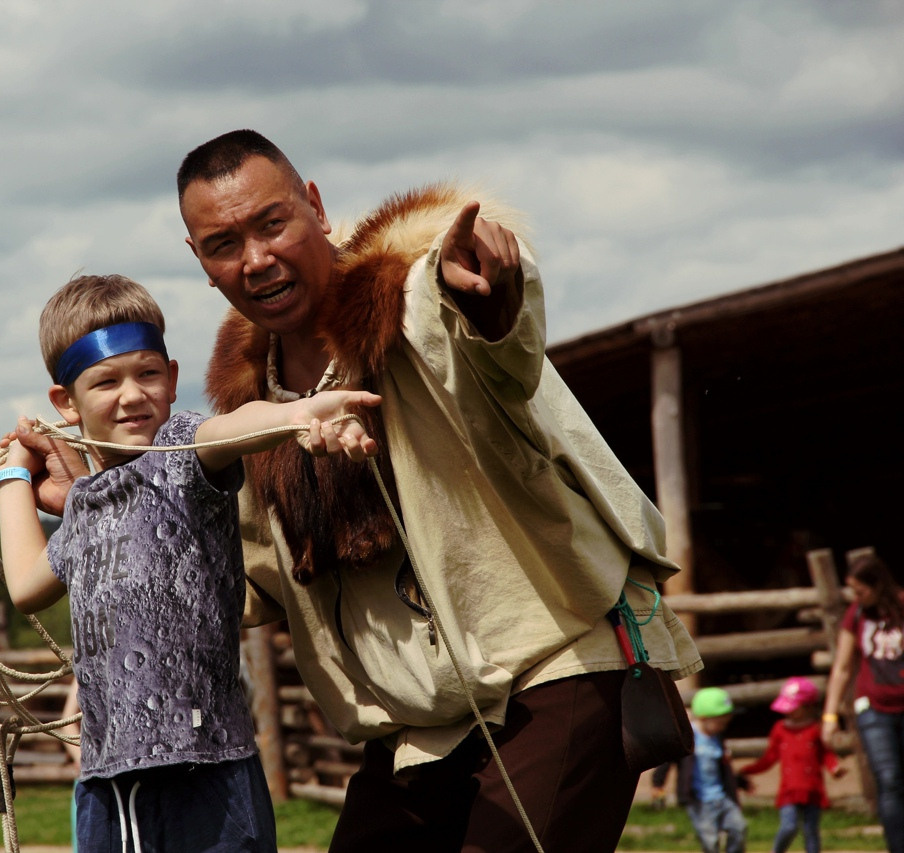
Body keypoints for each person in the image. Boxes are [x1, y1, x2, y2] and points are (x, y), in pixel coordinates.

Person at [168, 128, 702, 852]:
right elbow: (248, 584)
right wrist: (108, 505)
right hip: (421, 727)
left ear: (316, 208)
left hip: (557, 666)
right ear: (202, 263)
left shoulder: (416, 299)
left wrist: (488, 293)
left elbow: (497, 345)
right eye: (223, 243)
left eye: (272, 223)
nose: (256, 259)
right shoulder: (252, 409)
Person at [0, 273, 380, 852]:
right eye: (105, 382)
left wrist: (300, 415)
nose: (131, 394)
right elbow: (26, 584)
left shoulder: (184, 455)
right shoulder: (85, 506)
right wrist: (11, 472)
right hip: (110, 784)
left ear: (172, 380)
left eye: (147, 373)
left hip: (212, 773)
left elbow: (233, 428)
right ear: (64, 404)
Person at [822, 553, 904, 853]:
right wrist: (830, 716)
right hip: (873, 709)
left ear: (878, 584)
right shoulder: (855, 615)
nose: (856, 597)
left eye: (860, 591)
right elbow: (842, 668)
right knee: (889, 779)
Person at [740, 676, 844, 853]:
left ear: (808, 707)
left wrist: (834, 767)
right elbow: (770, 757)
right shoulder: (780, 729)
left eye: (794, 707)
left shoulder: (816, 729)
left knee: (811, 831)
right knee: (789, 826)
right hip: (789, 790)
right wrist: (748, 770)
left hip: (812, 790)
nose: (788, 712)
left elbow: (826, 754)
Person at [662, 687, 749, 853]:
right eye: (720, 722)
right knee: (711, 840)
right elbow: (667, 761)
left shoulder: (718, 738)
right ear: (703, 718)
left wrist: (741, 782)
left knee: (739, 828)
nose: (723, 727)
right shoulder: (688, 738)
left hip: (722, 798)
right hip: (700, 800)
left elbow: (722, 769)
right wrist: (658, 783)